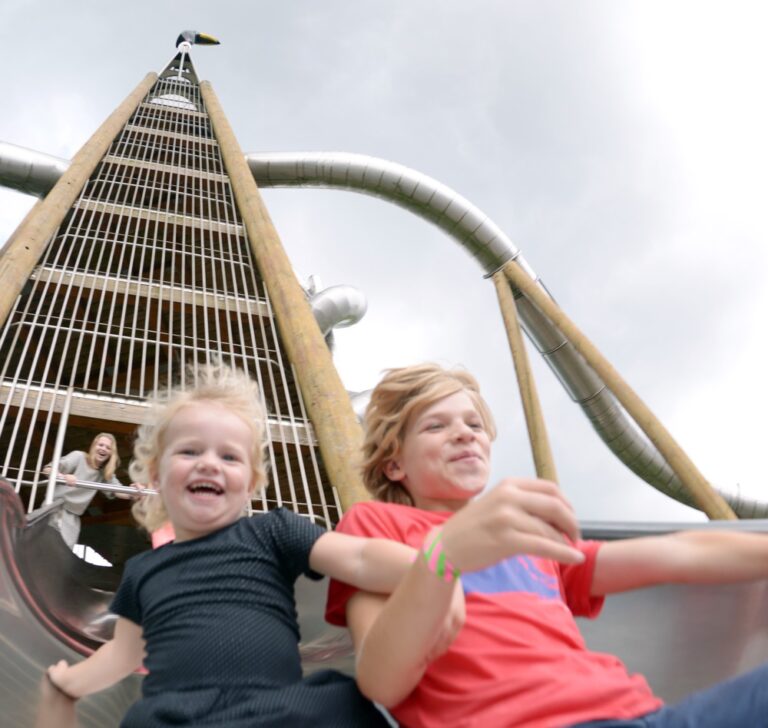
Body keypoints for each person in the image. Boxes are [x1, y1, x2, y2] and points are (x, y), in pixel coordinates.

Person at [325, 362, 768, 728]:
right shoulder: (375, 525)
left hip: (642, 715)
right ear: (394, 463)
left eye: (474, 424)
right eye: (436, 426)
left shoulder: (532, 538)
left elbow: (677, 555)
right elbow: (381, 680)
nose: (465, 434)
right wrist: (443, 558)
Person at [45, 362, 452, 727]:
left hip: (278, 707)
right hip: (175, 716)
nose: (209, 463)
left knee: (342, 706)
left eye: (230, 457)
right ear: (156, 475)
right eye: (189, 451)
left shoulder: (272, 532)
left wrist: (430, 564)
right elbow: (123, 655)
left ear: (252, 483)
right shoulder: (143, 571)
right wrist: (68, 682)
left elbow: (359, 556)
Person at [42, 432, 123, 548]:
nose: (103, 449)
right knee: (47, 546)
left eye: (108, 448)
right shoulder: (79, 457)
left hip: (72, 518)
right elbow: (48, 469)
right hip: (55, 508)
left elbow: (119, 491)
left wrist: (137, 492)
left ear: (111, 453)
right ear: (93, 446)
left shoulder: (104, 473)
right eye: (100, 445)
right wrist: (63, 477)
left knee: (65, 552)